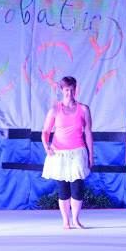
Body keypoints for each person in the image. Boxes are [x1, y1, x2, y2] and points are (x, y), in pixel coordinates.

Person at [41, 76, 94, 229]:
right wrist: (46, 147)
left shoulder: (83, 109)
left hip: (78, 151)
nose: (69, 93)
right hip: (59, 153)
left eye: (71, 90)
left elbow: (88, 133)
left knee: (77, 186)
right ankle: (66, 220)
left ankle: (76, 219)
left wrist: (91, 155)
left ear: (75, 89)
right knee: (63, 187)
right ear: (61, 90)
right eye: (66, 90)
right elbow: (45, 132)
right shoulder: (55, 110)